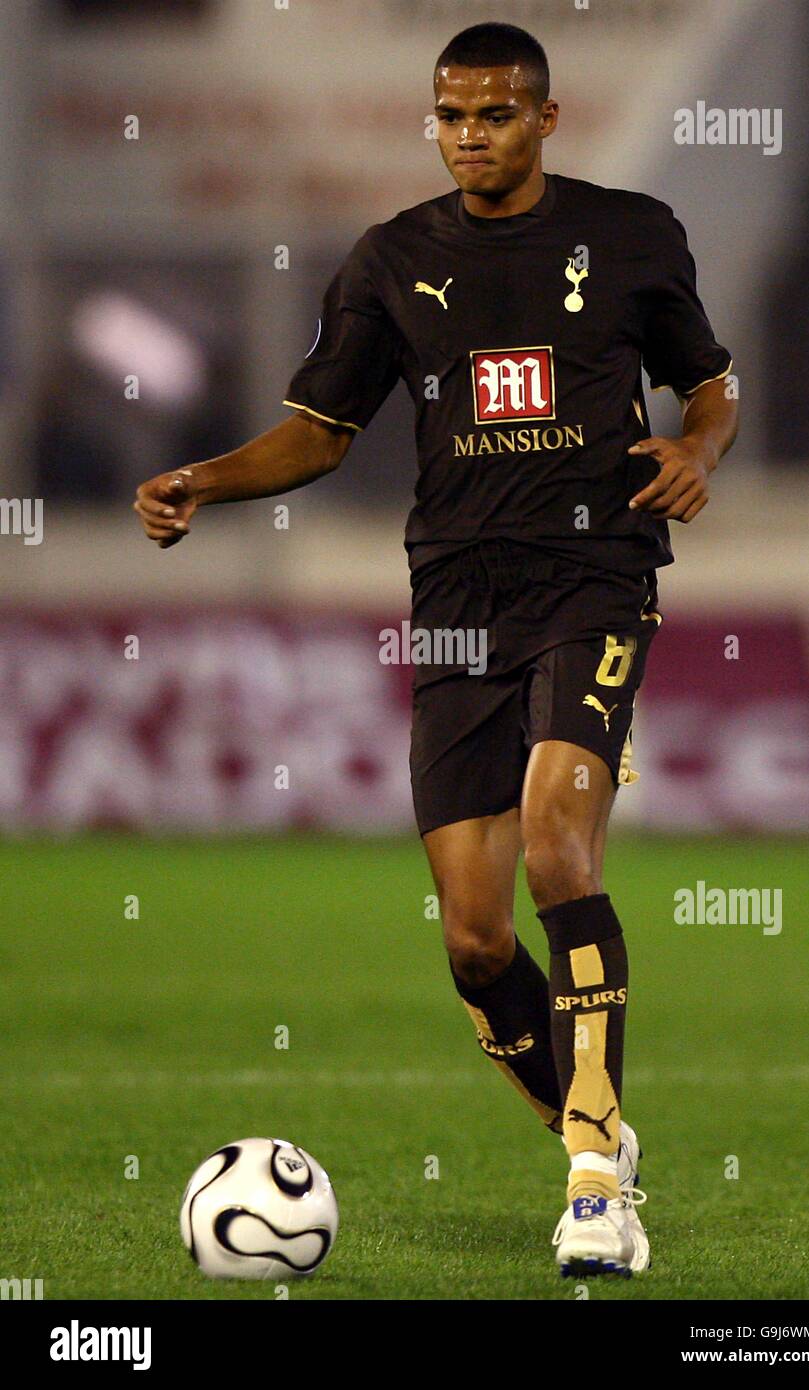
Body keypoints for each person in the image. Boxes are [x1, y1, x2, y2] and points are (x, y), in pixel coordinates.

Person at [134, 21, 738, 1279]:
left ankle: (589, 1179)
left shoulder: (629, 234)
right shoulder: (392, 259)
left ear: (545, 119)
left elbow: (709, 382)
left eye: (496, 115)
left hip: (595, 576)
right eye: (452, 117)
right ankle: (602, 1132)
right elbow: (319, 430)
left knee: (559, 839)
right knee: (472, 935)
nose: (472, 137)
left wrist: (697, 449)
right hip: (457, 596)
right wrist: (206, 476)